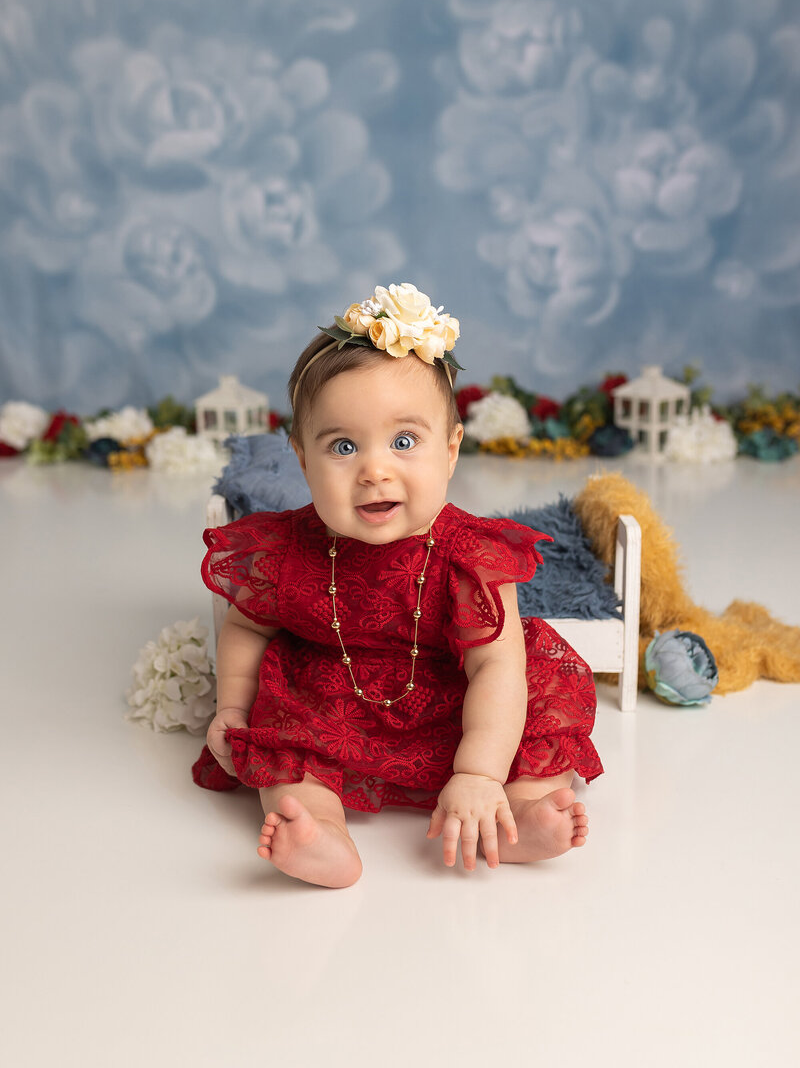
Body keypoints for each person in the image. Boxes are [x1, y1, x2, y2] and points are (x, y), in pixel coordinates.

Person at [192, 282, 603, 888]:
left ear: (452, 449)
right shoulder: (285, 551)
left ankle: (514, 812)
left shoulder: (470, 557)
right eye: (343, 446)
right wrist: (231, 705)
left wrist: (480, 774)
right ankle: (319, 827)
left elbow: (495, 669)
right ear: (303, 460)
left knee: (535, 700)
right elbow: (247, 627)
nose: (374, 469)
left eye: (404, 441)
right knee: (283, 728)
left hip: (462, 703)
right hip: (334, 697)